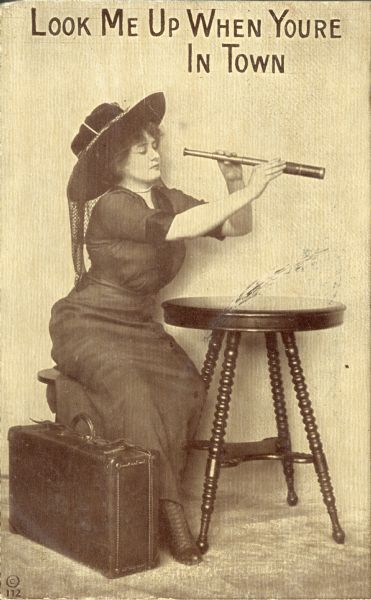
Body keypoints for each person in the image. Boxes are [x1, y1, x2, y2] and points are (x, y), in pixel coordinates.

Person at [49, 92, 285, 566]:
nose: (155, 153)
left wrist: (234, 179)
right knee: (134, 394)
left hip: (137, 326)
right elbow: (176, 228)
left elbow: (236, 226)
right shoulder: (113, 206)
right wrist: (251, 189)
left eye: (154, 143)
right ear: (116, 161)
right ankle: (174, 520)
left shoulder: (165, 198)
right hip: (89, 323)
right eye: (142, 148)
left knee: (186, 391)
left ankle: (153, 501)